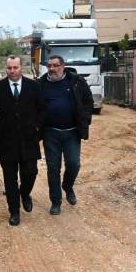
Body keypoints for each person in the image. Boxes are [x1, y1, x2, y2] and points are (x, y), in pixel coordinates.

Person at [0, 55, 46, 226]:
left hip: (29, 139)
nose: (12, 71)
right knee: (10, 178)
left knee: (31, 172)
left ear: (21, 68)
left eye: (15, 67)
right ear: (6, 69)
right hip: (7, 141)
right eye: (9, 68)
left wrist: (37, 130)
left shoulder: (34, 86)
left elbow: (42, 110)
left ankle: (25, 194)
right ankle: (14, 211)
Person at [38, 55, 93, 214]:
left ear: (63, 66)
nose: (52, 69)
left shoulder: (76, 81)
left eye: (55, 65)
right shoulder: (40, 84)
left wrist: (86, 119)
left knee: (74, 164)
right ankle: (56, 202)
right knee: (53, 169)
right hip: (50, 133)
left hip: (72, 133)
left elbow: (88, 101)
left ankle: (67, 186)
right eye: (49, 65)